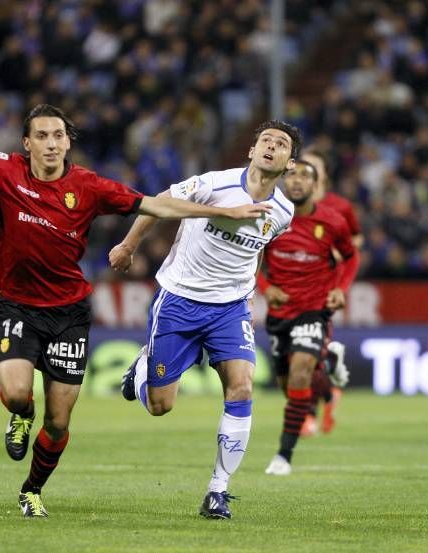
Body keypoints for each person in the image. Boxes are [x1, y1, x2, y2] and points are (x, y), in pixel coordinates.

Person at [0, 71, 270, 519]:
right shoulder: (3, 170)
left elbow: (156, 204)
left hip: (69, 312)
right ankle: (20, 413)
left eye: (58, 135)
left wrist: (224, 210)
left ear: (68, 143)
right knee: (17, 391)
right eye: (41, 135)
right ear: (26, 143)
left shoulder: (88, 186)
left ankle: (32, 491)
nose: (50, 143)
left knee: (60, 421)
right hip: (18, 306)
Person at [110, 120, 302, 519]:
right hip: (180, 299)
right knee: (161, 406)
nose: (271, 146)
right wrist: (128, 246)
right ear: (251, 151)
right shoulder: (214, 183)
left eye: (280, 144)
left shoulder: (284, 212)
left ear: (289, 164)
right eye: (265, 140)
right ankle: (143, 369)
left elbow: (258, 248)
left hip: (230, 308)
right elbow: (158, 202)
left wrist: (250, 290)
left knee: (242, 387)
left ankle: (218, 489)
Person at [257, 160, 358, 477]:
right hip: (279, 313)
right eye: (292, 175)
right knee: (291, 388)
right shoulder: (269, 217)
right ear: (284, 183)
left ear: (316, 186)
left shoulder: (332, 221)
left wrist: (341, 289)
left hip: (314, 308)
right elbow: (253, 260)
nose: (298, 181)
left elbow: (351, 256)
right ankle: (327, 371)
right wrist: (266, 287)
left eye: (306, 176)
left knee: (301, 373)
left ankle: (283, 456)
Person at [299, 147, 363, 436]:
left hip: (325, 288)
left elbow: (355, 240)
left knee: (308, 353)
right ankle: (327, 394)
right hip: (295, 287)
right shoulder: (291, 204)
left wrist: (336, 254)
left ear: (323, 175)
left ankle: (308, 415)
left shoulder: (340, 207)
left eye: (313, 167)